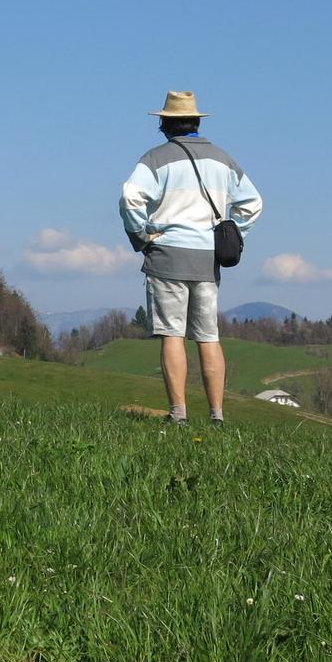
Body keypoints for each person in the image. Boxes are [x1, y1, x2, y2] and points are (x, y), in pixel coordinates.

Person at [120, 91, 262, 425]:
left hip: (167, 255)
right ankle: (217, 415)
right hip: (207, 257)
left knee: (172, 335)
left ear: (163, 124)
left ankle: (179, 415)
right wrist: (234, 232)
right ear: (197, 121)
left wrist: (141, 234)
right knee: (208, 336)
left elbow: (130, 197)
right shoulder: (223, 159)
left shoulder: (155, 158)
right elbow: (252, 202)